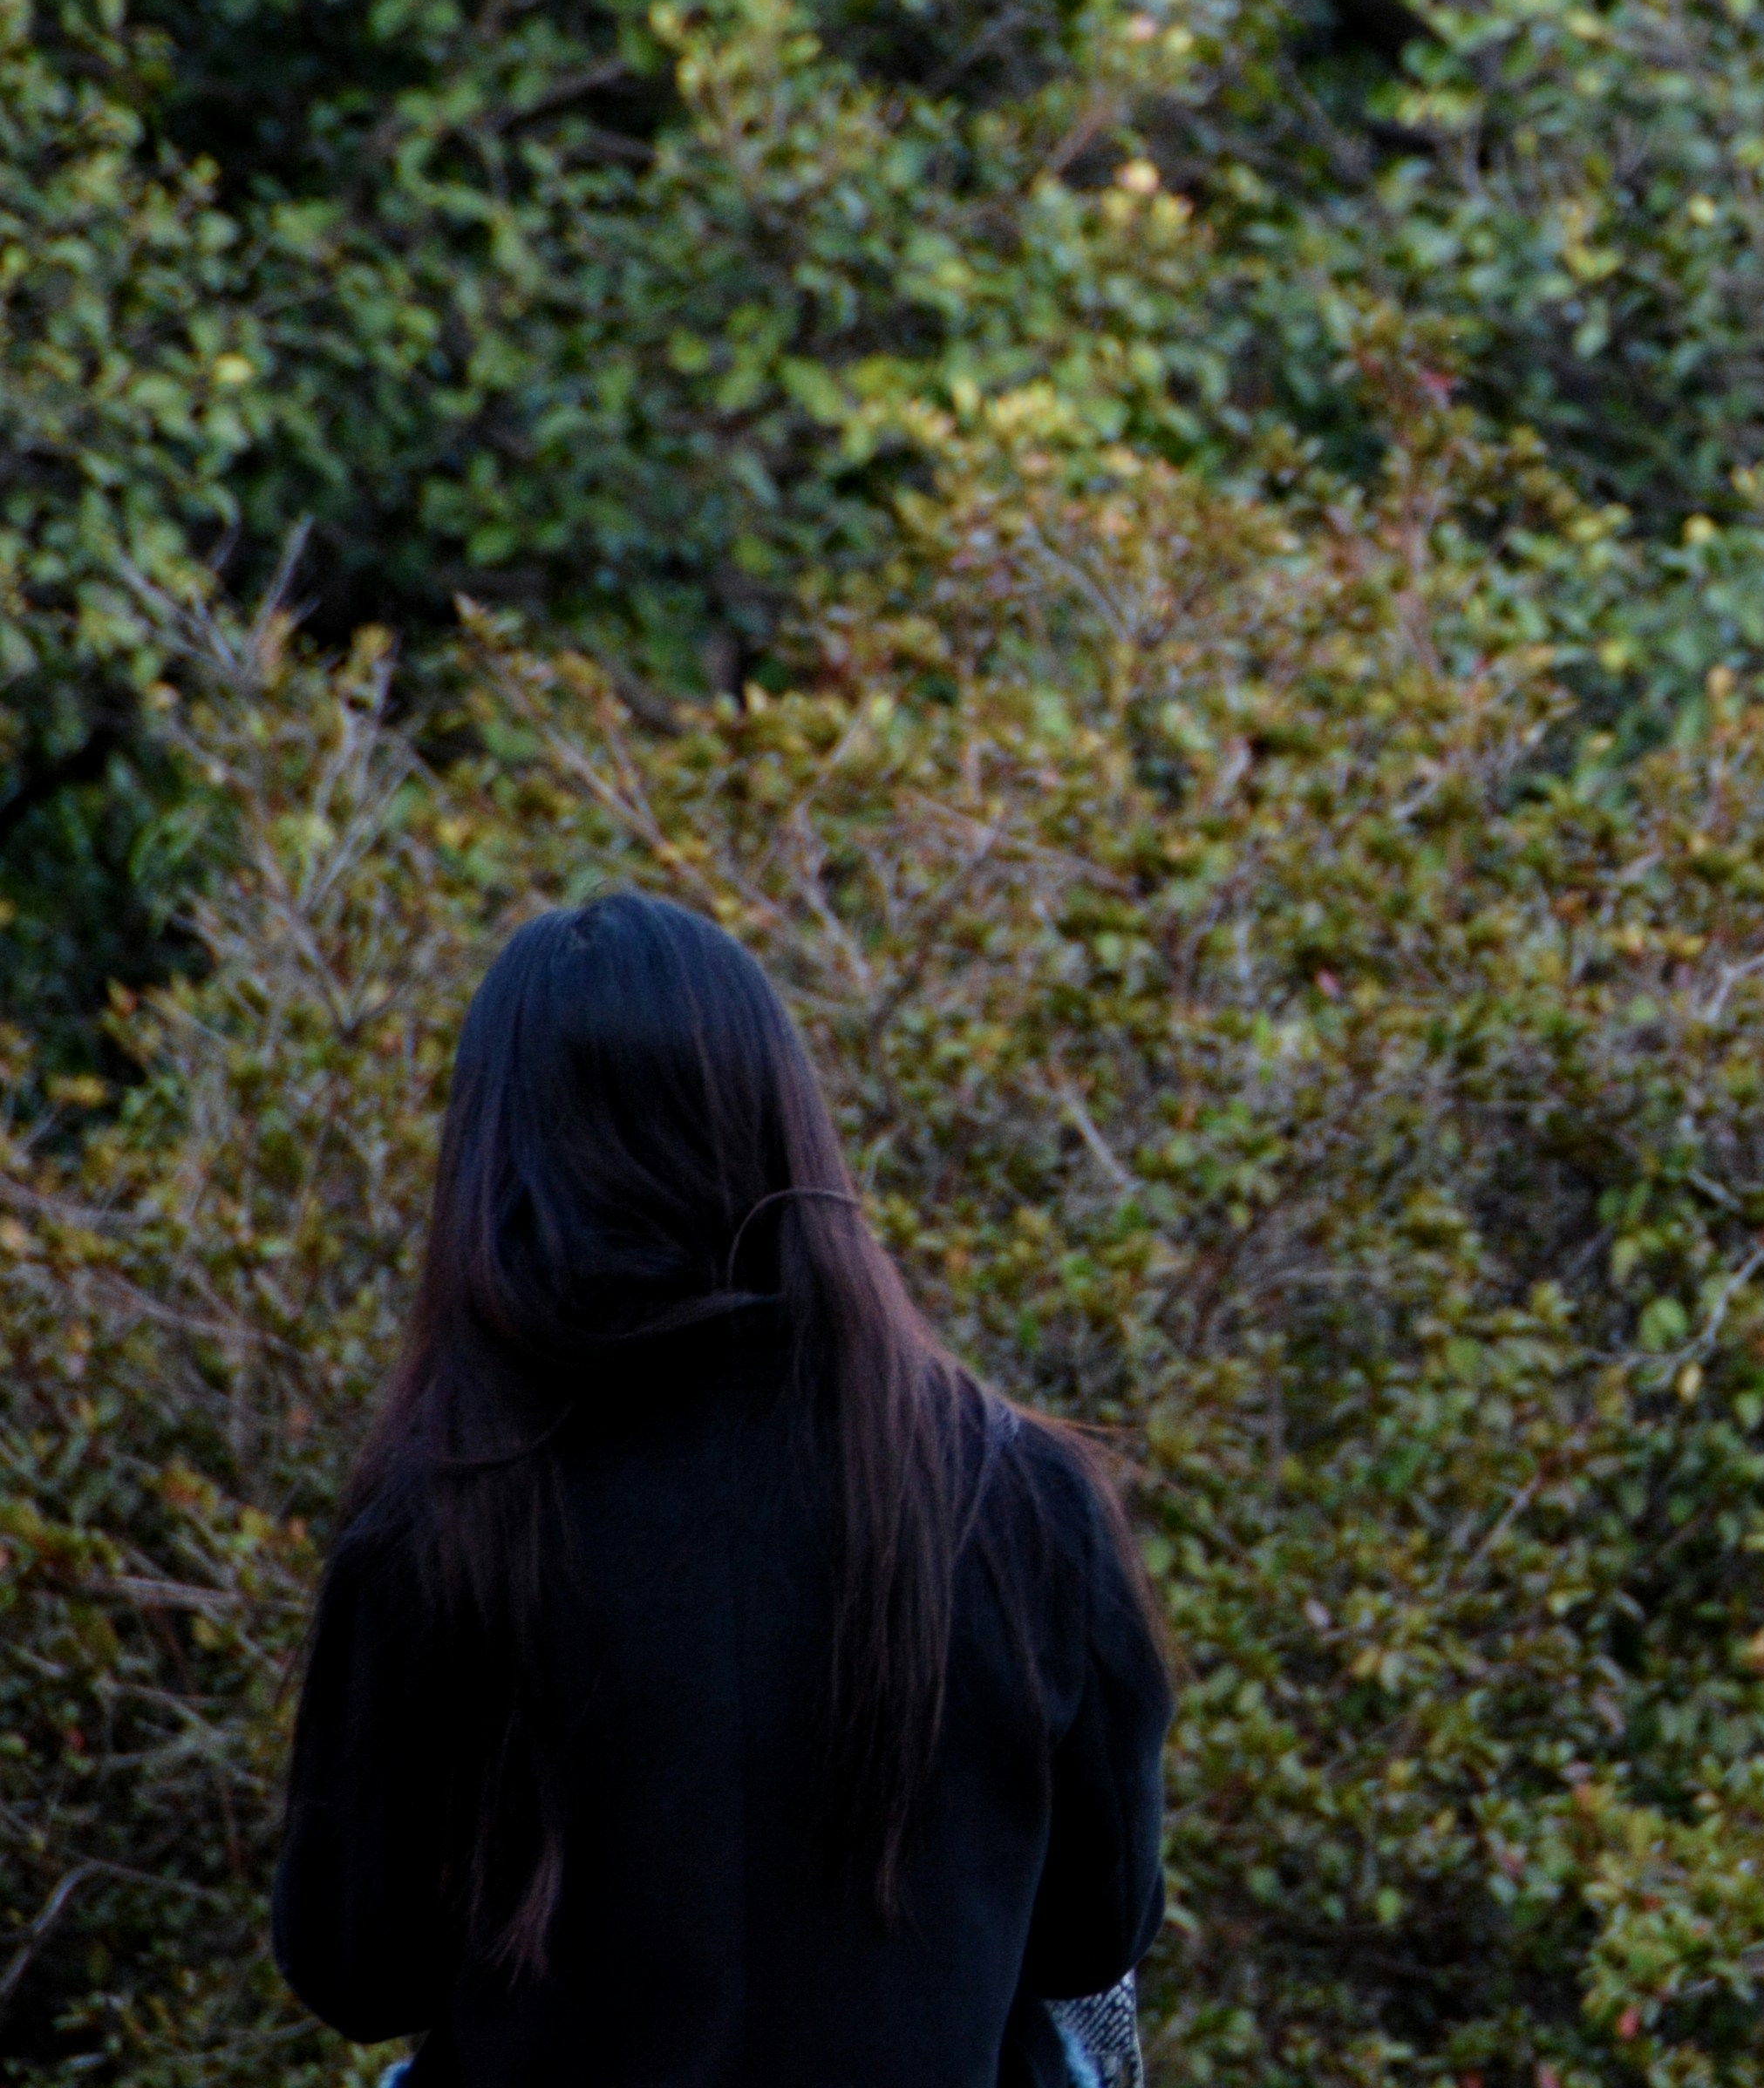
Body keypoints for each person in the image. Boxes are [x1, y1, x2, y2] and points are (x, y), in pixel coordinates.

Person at [276, 892, 1171, 2086]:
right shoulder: (1020, 1499)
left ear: (499, 1165)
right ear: (782, 1126)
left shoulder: (439, 1519)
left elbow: (356, 1968)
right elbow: (1094, 1932)